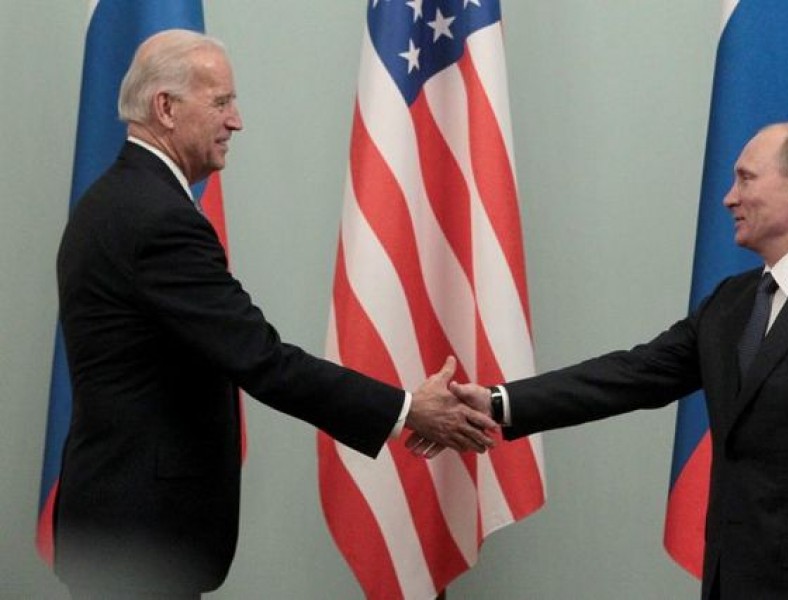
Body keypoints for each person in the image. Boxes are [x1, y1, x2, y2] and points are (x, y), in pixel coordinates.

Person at [54, 29, 496, 599]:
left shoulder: (113, 201)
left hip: (120, 527)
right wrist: (408, 409)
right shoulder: (156, 220)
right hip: (140, 539)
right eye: (220, 102)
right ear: (165, 107)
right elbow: (261, 359)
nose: (236, 121)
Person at [441, 121, 788, 599]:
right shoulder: (732, 302)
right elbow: (632, 374)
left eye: (745, 178)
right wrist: (498, 401)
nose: (728, 198)